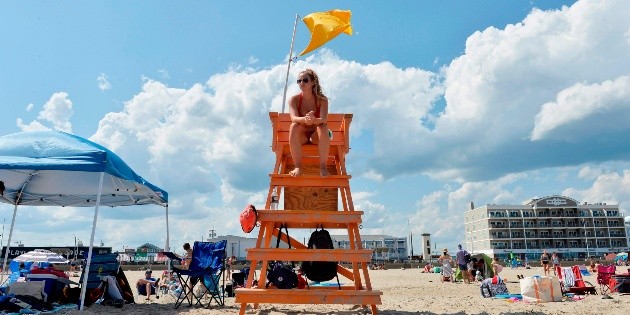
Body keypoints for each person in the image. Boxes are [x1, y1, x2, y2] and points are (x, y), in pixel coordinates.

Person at [288, 69, 330, 177]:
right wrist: (306, 119)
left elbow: (324, 119)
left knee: (323, 127)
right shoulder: (294, 100)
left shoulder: (322, 100)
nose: (301, 83)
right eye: (299, 81)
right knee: (294, 126)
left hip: (316, 137)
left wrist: (314, 120)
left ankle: (323, 167)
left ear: (313, 82)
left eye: (305, 80)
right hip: (301, 136)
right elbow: (293, 118)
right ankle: (298, 167)